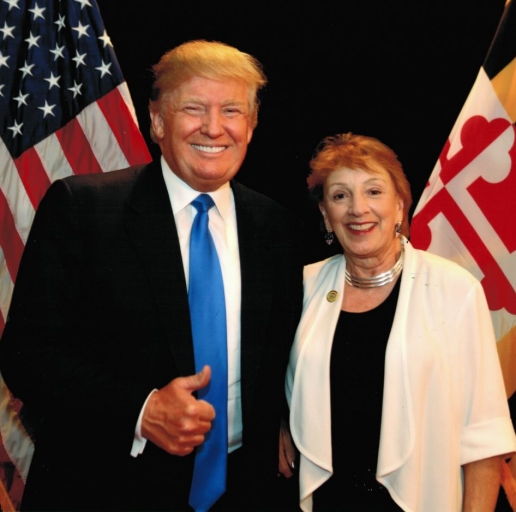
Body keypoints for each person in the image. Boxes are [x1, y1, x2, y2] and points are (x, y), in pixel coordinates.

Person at [0, 40, 303, 512]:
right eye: (194, 108)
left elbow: (280, 356)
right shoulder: (82, 210)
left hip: (246, 491)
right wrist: (141, 410)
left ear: (252, 124)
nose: (213, 127)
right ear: (158, 121)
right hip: (107, 488)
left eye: (231, 110)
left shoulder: (275, 227)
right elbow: (27, 356)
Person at [285, 133, 516, 512]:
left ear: (399, 207)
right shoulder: (304, 288)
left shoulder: (454, 290)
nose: (358, 209)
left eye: (374, 191)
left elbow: (484, 435)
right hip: (332, 501)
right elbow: (282, 381)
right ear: (326, 215)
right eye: (340, 195)